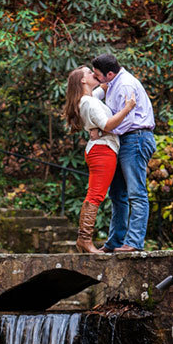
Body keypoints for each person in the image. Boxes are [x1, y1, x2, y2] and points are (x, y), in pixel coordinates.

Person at [64, 66, 136, 253]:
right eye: (90, 73)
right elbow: (108, 124)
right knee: (96, 195)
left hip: (103, 148)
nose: (94, 75)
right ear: (82, 80)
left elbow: (100, 91)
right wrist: (128, 108)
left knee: (98, 194)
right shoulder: (88, 102)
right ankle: (84, 239)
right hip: (102, 151)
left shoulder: (89, 98)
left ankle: (85, 240)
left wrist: (106, 80)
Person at [91, 54, 156, 252]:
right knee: (117, 193)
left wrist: (101, 130)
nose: (95, 78)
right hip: (123, 140)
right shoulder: (111, 82)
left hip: (135, 138)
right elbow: (90, 98)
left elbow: (126, 122)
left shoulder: (125, 85)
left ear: (109, 73)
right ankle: (115, 242)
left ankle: (134, 242)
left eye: (97, 75)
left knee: (136, 192)